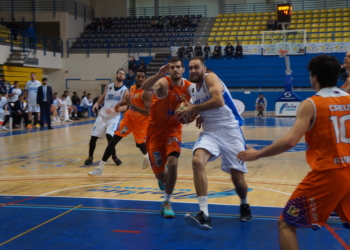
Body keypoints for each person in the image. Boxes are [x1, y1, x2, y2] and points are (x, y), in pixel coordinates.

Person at [237, 55, 350, 250]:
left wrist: (258, 154)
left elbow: (290, 140)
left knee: (286, 224)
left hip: (329, 172)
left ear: (313, 77)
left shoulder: (311, 103)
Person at [175, 57, 251, 230]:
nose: (193, 70)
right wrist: (194, 114)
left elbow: (218, 101)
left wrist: (194, 109)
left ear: (204, 69)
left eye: (196, 67)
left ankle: (244, 203)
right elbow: (199, 106)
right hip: (210, 132)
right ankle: (204, 214)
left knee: (238, 181)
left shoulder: (211, 77)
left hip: (230, 131)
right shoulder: (192, 89)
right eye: (191, 68)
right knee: (196, 161)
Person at [141, 57, 192, 218]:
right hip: (155, 131)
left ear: (183, 70)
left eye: (178, 67)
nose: (175, 70)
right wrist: (158, 75)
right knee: (161, 175)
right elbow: (145, 86)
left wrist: (197, 115)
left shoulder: (190, 88)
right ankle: (163, 176)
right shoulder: (163, 82)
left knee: (173, 163)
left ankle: (166, 202)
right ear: (169, 70)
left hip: (173, 129)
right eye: (172, 67)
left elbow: (199, 103)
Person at [88, 69, 152, 176]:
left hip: (141, 122)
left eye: (142, 77)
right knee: (113, 141)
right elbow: (129, 101)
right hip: (129, 120)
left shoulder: (146, 92)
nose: (140, 79)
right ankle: (100, 168)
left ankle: (146, 157)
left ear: (145, 79)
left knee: (139, 144)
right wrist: (120, 103)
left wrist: (131, 105)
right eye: (138, 77)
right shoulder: (132, 88)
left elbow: (147, 113)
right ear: (135, 78)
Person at [84, 69, 128, 166]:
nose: (121, 75)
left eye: (123, 74)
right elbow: (103, 97)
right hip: (103, 115)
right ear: (116, 75)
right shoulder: (108, 86)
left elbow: (125, 106)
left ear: (124, 77)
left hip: (114, 117)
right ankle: (90, 157)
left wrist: (114, 110)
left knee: (110, 136)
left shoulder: (125, 90)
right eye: (120, 73)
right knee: (93, 137)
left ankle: (114, 156)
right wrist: (97, 103)